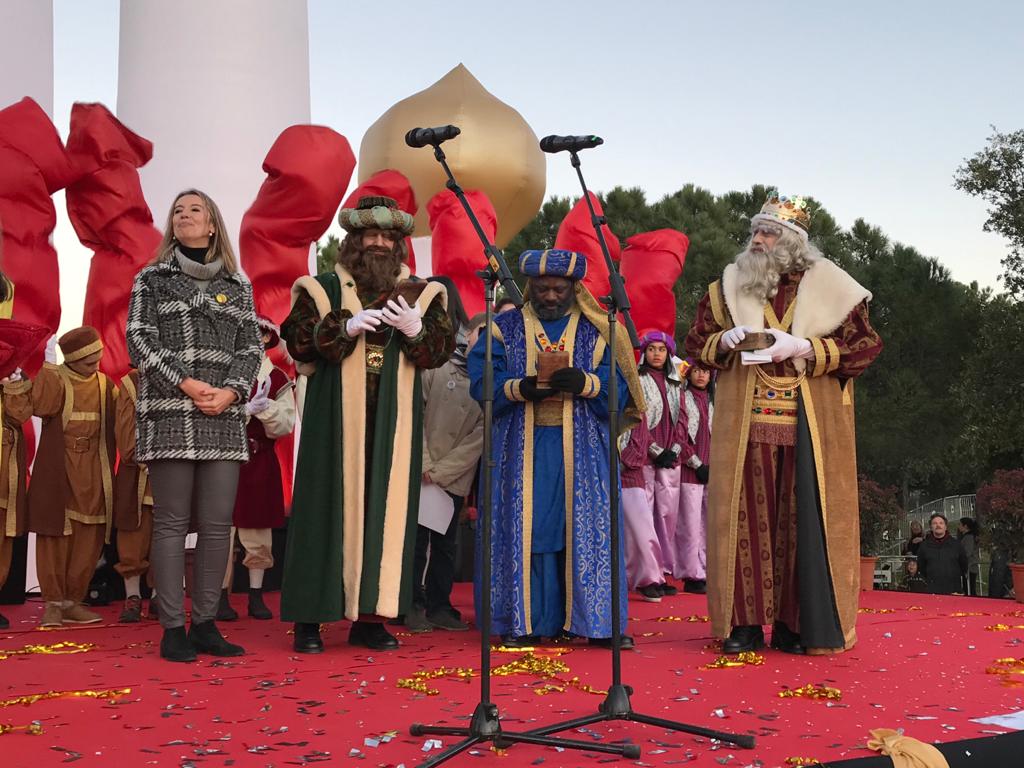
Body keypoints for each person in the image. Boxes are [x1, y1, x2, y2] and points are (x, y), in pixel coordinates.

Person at [685, 192, 883, 656]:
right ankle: (746, 624)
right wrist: (723, 340)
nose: (756, 240)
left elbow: (867, 347)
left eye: (767, 233)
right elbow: (696, 342)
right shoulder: (730, 285)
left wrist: (805, 349)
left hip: (811, 428)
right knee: (746, 525)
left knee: (802, 527)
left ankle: (798, 625)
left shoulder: (835, 286)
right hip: (745, 428)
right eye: (754, 231)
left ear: (793, 242)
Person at [280, 195, 453, 653]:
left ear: (399, 245)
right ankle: (310, 620)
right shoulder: (320, 289)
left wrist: (418, 330)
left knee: (386, 514)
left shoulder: (424, 294)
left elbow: (436, 352)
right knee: (324, 513)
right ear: (352, 241)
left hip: (393, 425)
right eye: (369, 236)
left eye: (387, 237)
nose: (378, 243)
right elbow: (297, 342)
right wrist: (343, 328)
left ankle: (372, 620)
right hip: (332, 423)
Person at [469, 249, 645, 649]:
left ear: (574, 288)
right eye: (543, 288)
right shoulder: (504, 327)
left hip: (582, 452)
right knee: (528, 532)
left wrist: (587, 383)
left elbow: (623, 390)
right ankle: (524, 622)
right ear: (530, 287)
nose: (550, 296)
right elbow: (481, 383)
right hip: (521, 450)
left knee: (582, 533)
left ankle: (593, 624)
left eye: (559, 288)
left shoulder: (600, 330)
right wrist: (517, 387)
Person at [127, 188, 263, 662]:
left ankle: (205, 622)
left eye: (194, 210)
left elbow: (252, 346)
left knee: (216, 525)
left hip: (222, 414)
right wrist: (185, 383)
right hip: (170, 410)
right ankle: (170, 628)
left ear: (211, 225)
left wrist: (231, 391)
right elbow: (138, 341)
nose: (184, 215)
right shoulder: (152, 279)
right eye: (177, 210)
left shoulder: (237, 284)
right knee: (170, 524)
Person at [27, 327, 117, 628]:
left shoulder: (106, 386)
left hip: (94, 469)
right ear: (72, 361)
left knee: (89, 535)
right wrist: (47, 369)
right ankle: (53, 603)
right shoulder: (57, 379)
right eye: (88, 363)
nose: (95, 367)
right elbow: (41, 406)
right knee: (56, 535)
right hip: (60, 468)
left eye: (97, 360)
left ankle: (72, 601)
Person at [407, 285, 484, 633]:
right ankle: (410, 604)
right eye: (478, 333)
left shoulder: (488, 384)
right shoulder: (436, 367)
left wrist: (443, 472)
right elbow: (415, 415)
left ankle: (440, 604)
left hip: (453, 478)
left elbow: (478, 438)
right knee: (415, 543)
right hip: (421, 471)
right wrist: (424, 465)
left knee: (446, 546)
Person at [217, 315, 295, 622]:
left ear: (266, 338)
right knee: (221, 530)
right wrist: (242, 411)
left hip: (260, 461)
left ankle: (255, 595)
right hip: (225, 460)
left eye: (256, 332)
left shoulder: (276, 378)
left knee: (258, 531)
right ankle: (220, 596)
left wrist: (267, 409)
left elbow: (286, 424)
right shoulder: (223, 374)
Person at [621, 330, 685, 601]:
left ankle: (659, 572)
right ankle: (645, 577)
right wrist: (655, 451)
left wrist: (674, 451)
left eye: (661, 349)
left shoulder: (675, 383)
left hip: (670, 459)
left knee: (666, 519)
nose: (656, 354)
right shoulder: (637, 380)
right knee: (642, 520)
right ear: (643, 353)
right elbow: (637, 421)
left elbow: (683, 419)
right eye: (651, 349)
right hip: (642, 458)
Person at [113, 368, 157, 622]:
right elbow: (125, 431)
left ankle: (161, 596)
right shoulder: (132, 382)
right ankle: (133, 597)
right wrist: (141, 456)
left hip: (171, 470)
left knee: (167, 537)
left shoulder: (184, 377)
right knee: (132, 535)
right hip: (137, 473)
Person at [674, 358, 714, 594]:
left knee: (709, 524)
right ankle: (691, 574)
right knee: (690, 524)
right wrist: (696, 463)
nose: (701, 375)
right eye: (697, 371)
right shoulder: (682, 398)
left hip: (713, 469)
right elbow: (681, 435)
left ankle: (707, 571)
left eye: (705, 372)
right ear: (689, 374)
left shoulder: (714, 400)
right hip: (690, 469)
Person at [0, 368, 32, 629]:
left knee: (4, 540)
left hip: (5, 479)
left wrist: (12, 382)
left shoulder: (14, 380)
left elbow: (20, 415)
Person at [916, 514, 967, 595]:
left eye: (941, 523)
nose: (938, 525)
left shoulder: (956, 545)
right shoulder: (924, 546)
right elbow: (921, 567)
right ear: (931, 527)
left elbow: (964, 565)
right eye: (935, 523)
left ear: (945, 526)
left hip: (953, 590)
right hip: (932, 590)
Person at [958, 518, 980, 596]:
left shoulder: (969, 537)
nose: (958, 527)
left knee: (969, 588)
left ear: (965, 526)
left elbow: (968, 552)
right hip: (969, 566)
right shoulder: (967, 537)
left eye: (960, 524)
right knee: (968, 588)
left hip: (970, 567)